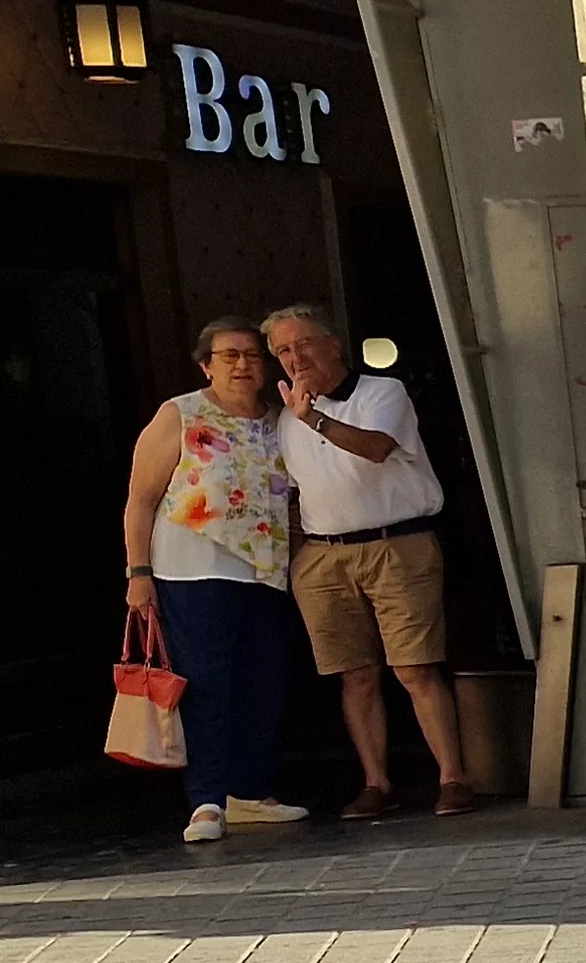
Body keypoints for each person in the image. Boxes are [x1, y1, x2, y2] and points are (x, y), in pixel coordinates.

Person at [267, 304, 471, 820]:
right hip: (324, 556)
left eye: (305, 343)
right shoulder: (285, 418)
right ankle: (376, 783)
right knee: (355, 676)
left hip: (395, 545)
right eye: (283, 350)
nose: (296, 357)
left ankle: (452, 778)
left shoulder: (382, 392)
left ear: (335, 345)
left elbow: (376, 448)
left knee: (414, 668)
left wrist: (311, 416)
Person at [123, 318, 309, 844]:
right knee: (205, 685)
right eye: (229, 356)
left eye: (252, 355)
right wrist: (138, 573)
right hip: (191, 569)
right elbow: (140, 499)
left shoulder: (281, 420)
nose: (243, 365)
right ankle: (206, 800)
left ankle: (249, 792)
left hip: (266, 571)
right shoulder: (180, 414)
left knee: (263, 681)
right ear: (205, 364)